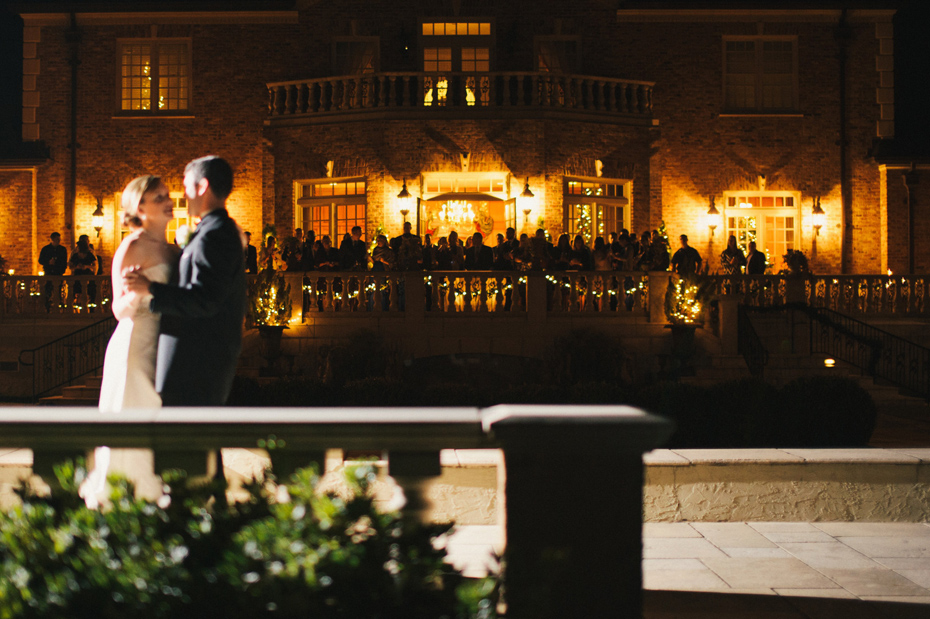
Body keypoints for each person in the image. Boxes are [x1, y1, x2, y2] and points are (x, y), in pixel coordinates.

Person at [124, 156, 246, 407]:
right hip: (192, 362)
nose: (181, 195)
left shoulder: (214, 235)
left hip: (196, 364)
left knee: (189, 441)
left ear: (202, 187)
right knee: (192, 443)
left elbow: (205, 300)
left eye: (185, 186)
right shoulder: (212, 232)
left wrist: (151, 288)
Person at [99, 175, 177, 411]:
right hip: (137, 343)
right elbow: (118, 309)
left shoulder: (174, 250)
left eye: (168, 196)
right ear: (140, 207)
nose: (169, 202)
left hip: (165, 340)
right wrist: (137, 293)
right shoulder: (132, 247)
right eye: (159, 197)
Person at [38, 231, 67, 311]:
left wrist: (62, 269)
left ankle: (58, 307)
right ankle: (47, 307)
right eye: (57, 239)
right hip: (49, 272)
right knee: (48, 290)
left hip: (58, 273)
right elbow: (40, 260)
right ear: (52, 239)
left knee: (58, 291)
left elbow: (64, 261)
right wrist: (48, 262)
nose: (59, 241)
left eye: (59, 239)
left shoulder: (62, 249)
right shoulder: (46, 249)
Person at [68, 234, 98, 310]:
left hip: (88, 275)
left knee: (90, 292)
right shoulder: (75, 254)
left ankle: (90, 308)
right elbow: (70, 265)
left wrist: (87, 266)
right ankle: (76, 308)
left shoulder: (90, 254)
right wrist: (76, 267)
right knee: (76, 292)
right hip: (78, 275)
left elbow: (95, 265)